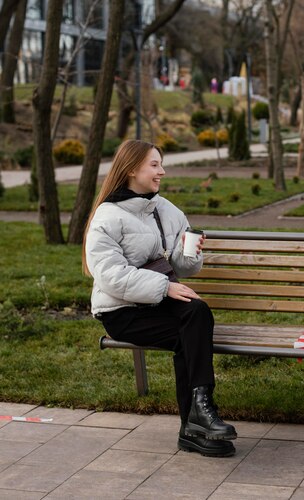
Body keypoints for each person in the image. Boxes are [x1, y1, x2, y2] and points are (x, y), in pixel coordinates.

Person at [83, 139, 237, 458]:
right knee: (189, 330)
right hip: (122, 312)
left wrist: (190, 251)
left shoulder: (166, 210)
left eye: (161, 164)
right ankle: (197, 422)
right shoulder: (107, 217)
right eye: (154, 165)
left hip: (155, 302)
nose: (161, 172)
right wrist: (165, 287)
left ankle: (198, 417)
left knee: (196, 314)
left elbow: (181, 265)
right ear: (131, 169)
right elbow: (110, 276)